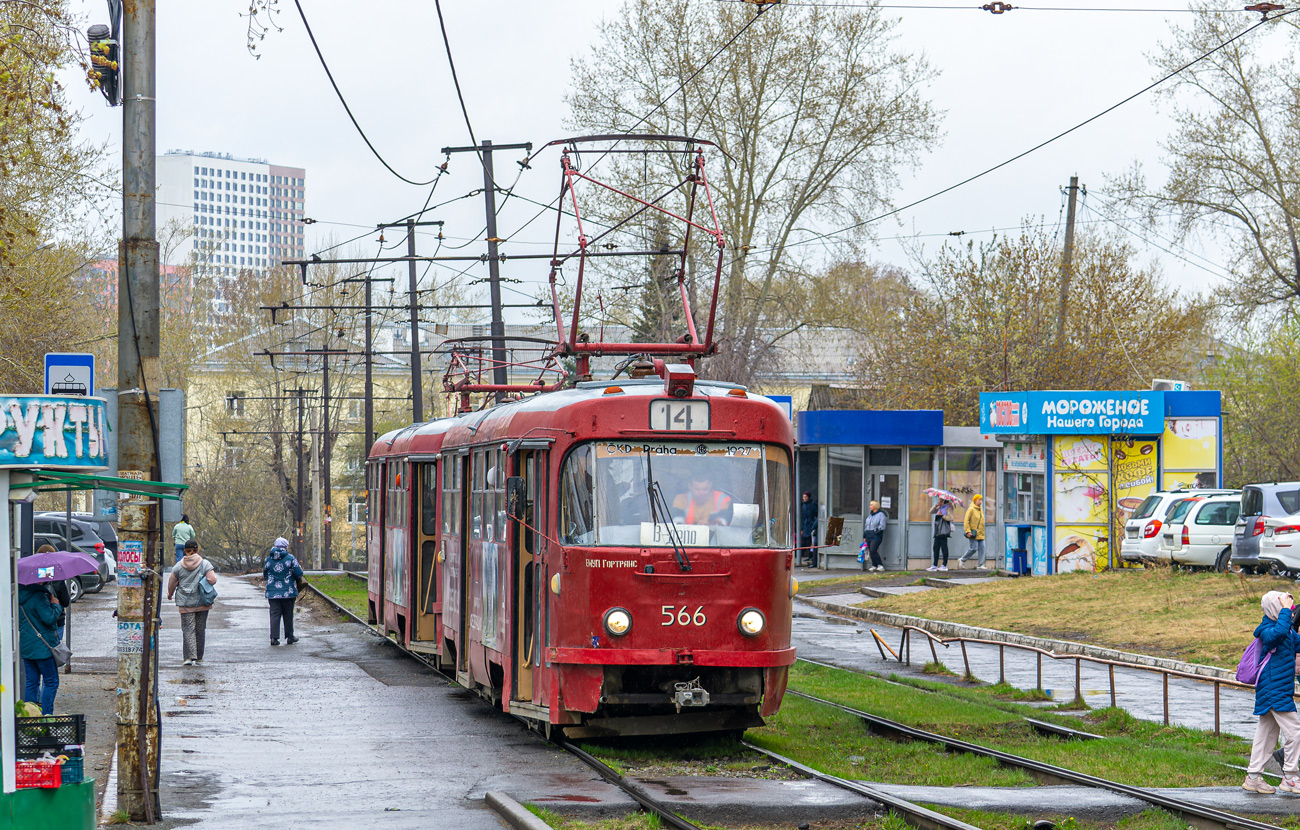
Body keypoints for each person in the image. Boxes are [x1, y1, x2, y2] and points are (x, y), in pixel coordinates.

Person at [1243, 591, 1300, 794]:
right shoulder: (1266, 630)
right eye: (1285, 608)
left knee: (1267, 734)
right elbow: (1278, 634)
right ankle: (1290, 776)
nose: (1290, 612)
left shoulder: (1288, 632)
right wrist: (1284, 610)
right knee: (1295, 732)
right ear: (1274, 609)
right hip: (1274, 689)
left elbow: (1295, 642)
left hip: (1278, 689)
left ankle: (1253, 777)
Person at [167, 539, 218, 666]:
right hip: (202, 602)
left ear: (185, 551)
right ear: (197, 550)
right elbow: (212, 580)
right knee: (200, 629)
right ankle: (199, 658)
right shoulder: (205, 564)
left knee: (188, 629)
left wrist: (170, 594)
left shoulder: (178, 566)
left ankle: (189, 658)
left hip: (185, 604)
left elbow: (172, 582)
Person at [18, 581, 62, 714]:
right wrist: (56, 605)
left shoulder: (19, 596)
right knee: (51, 681)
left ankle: (30, 717)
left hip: (27, 647)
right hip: (43, 648)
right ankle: (46, 716)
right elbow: (49, 619)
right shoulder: (38, 596)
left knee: (31, 683)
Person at [264, 536, 304, 646]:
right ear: (286, 547)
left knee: (274, 614)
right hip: (288, 591)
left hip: (272, 592)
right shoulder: (290, 558)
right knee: (288, 614)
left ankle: (274, 638)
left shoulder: (268, 559)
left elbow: (265, 574)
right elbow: (299, 573)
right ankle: (290, 636)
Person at [959, 495, 987, 568]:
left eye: (981, 500)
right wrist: (967, 531)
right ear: (975, 500)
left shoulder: (980, 510)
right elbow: (966, 520)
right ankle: (962, 559)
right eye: (979, 500)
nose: (981, 501)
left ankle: (980, 565)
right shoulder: (971, 509)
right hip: (973, 533)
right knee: (973, 548)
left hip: (981, 533)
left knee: (982, 548)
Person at [861, 500, 886, 572]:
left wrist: (876, 531)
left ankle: (880, 565)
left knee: (873, 550)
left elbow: (882, 525)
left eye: (871, 505)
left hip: (876, 535)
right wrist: (864, 536)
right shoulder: (870, 515)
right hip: (868, 535)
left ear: (875, 506)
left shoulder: (881, 515)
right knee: (870, 551)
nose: (870, 506)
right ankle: (874, 565)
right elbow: (866, 526)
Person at [928, 503, 952, 572]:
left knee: (944, 547)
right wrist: (936, 506)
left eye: (940, 499)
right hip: (938, 529)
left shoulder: (948, 507)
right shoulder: (939, 507)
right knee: (936, 547)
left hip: (944, 529)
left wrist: (942, 516)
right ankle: (934, 565)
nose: (939, 500)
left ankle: (944, 564)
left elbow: (950, 517)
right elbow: (931, 511)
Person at [799, 492, 819, 568]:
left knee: (812, 541)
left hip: (811, 524)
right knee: (807, 540)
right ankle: (808, 555)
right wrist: (802, 528)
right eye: (803, 497)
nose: (804, 499)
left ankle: (811, 556)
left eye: (805, 497)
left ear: (808, 497)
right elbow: (803, 518)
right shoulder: (803, 506)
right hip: (806, 525)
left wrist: (814, 524)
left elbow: (816, 514)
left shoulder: (813, 505)